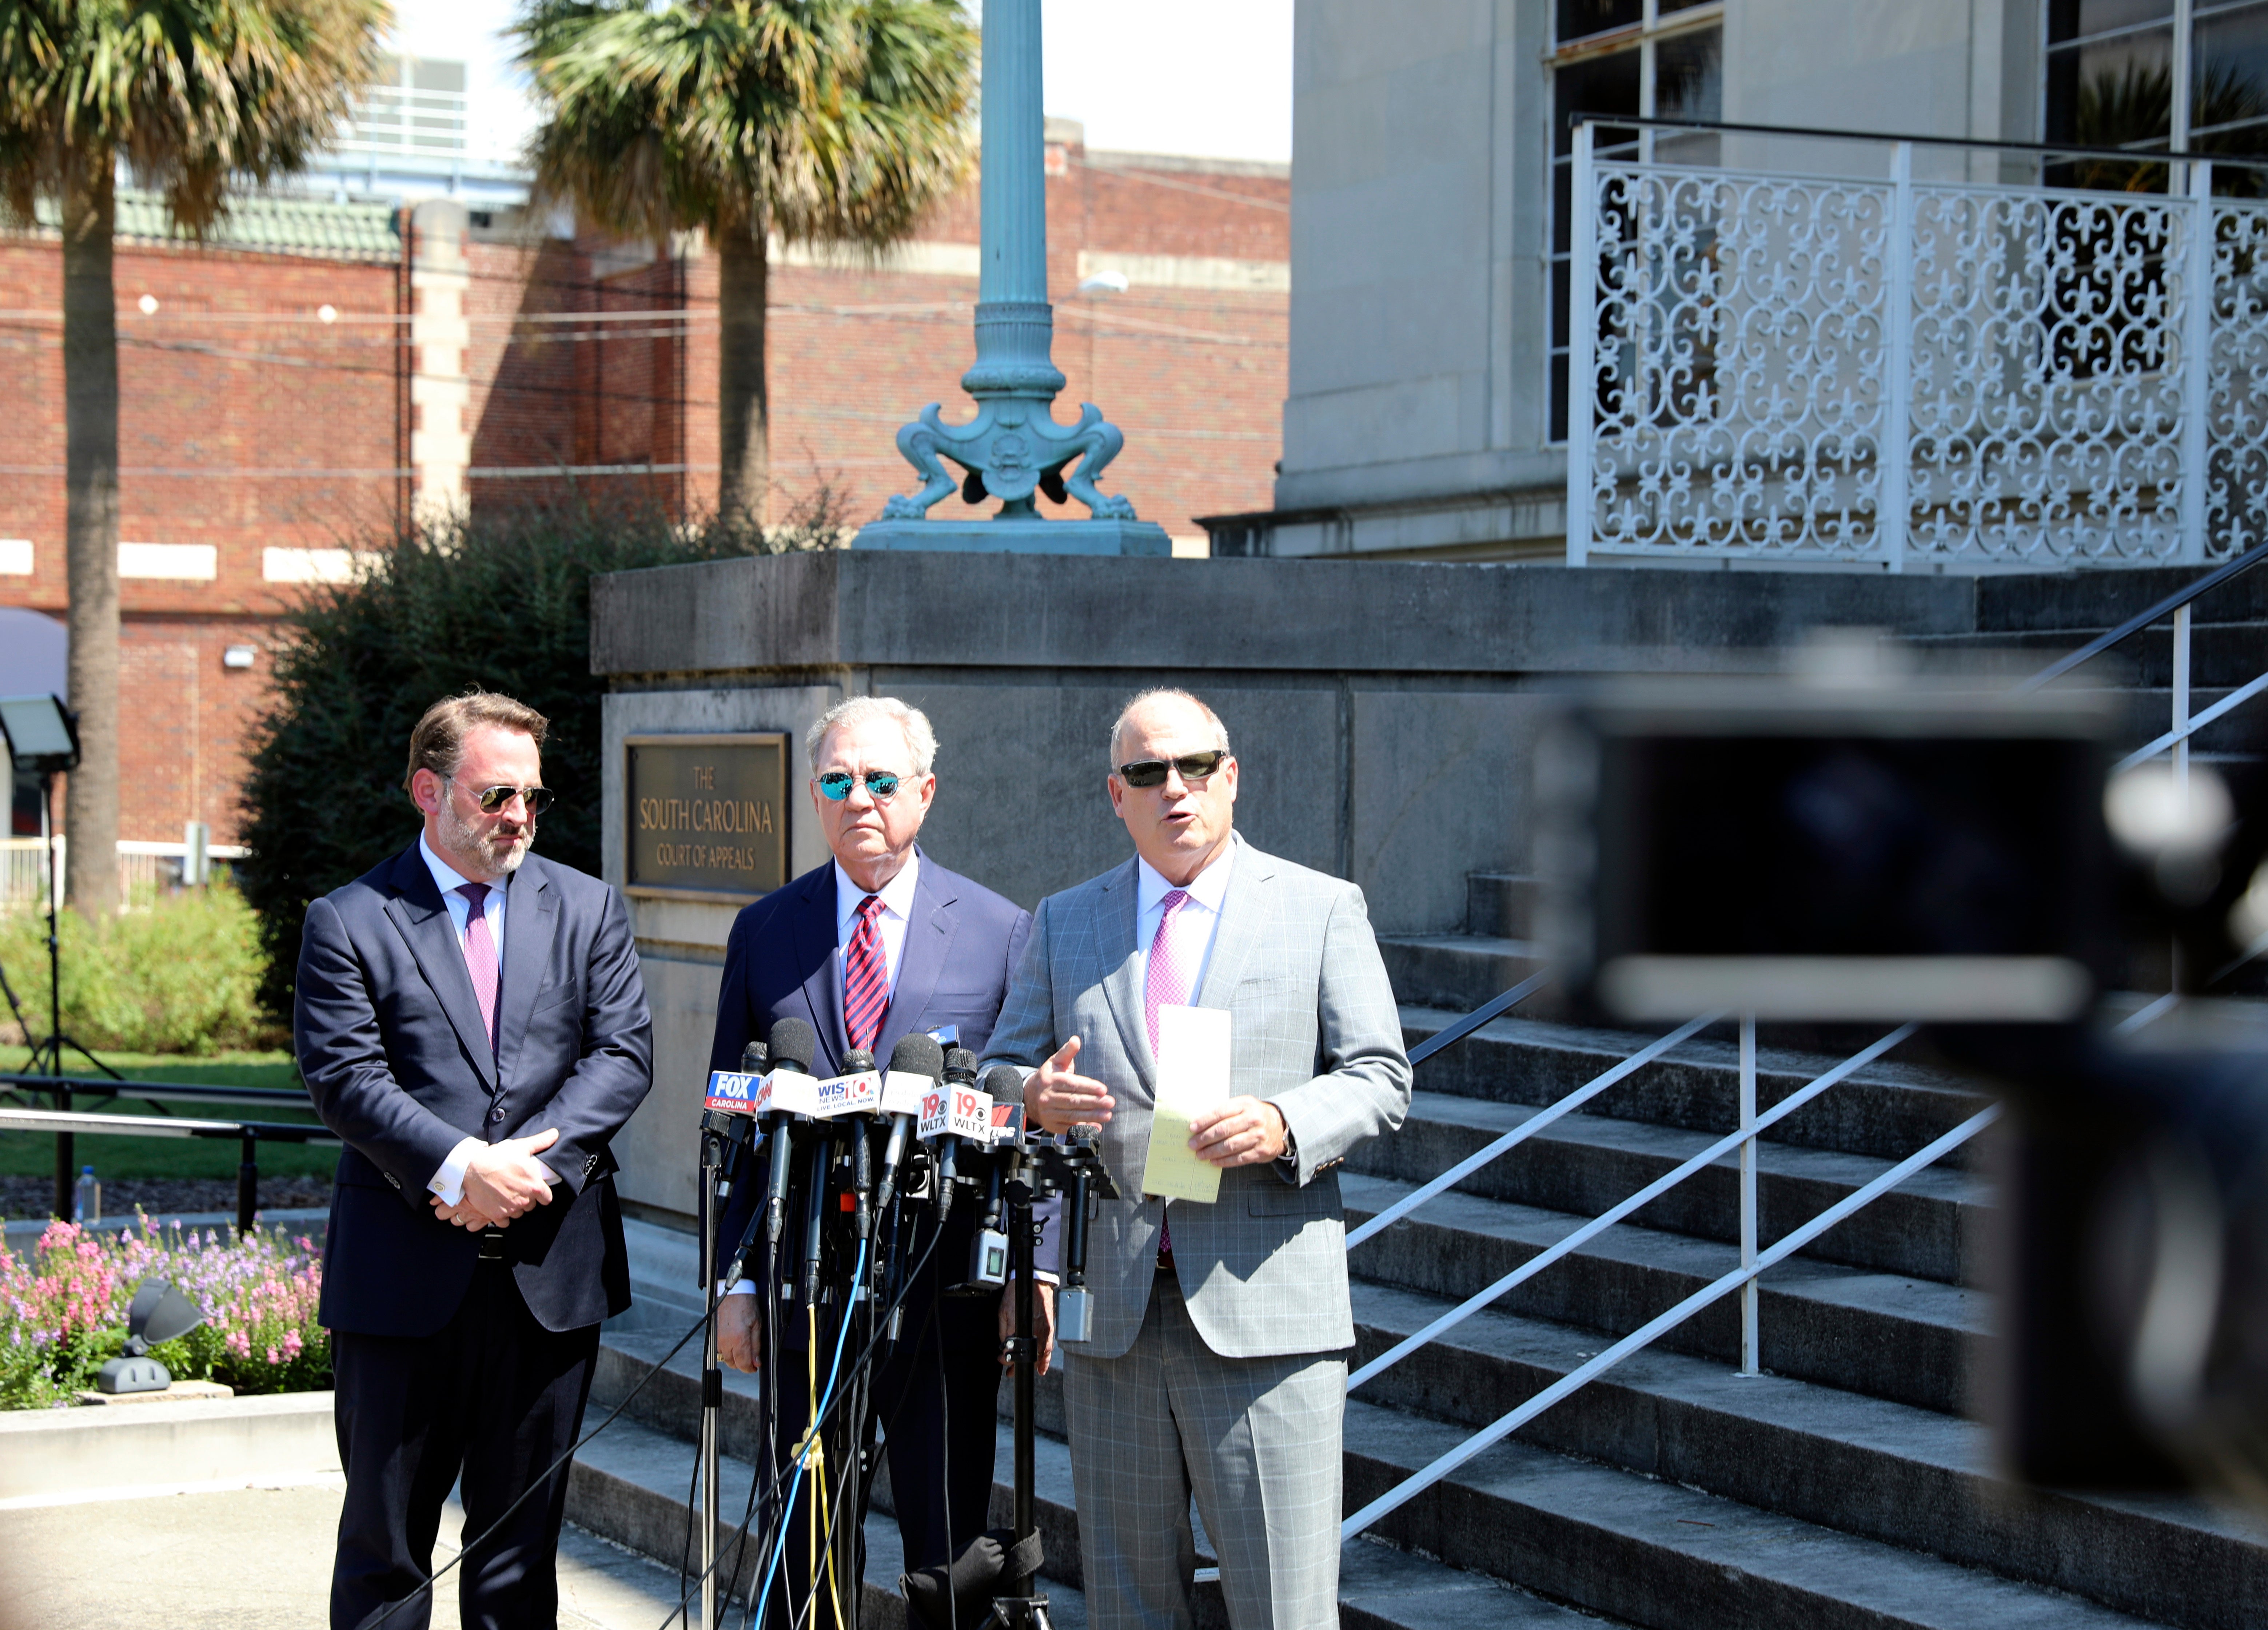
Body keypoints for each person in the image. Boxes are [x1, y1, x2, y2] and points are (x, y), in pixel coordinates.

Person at [980, 688, 1411, 1630]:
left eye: (1194, 768)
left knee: (1282, 1613)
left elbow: (1381, 1077)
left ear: (1231, 780)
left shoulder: (1318, 908)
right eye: (1147, 773)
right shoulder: (1066, 921)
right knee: (1130, 1608)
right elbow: (995, 1071)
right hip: (1117, 1323)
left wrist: (1284, 1122)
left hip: (1264, 1319)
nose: (1173, 789)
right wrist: (1031, 1098)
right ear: (1115, 795)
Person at [296, 691, 653, 1630]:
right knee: (385, 1556)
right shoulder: (350, 920)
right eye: (498, 796)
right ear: (429, 789)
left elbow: (622, 1054)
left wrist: (525, 1173)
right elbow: (344, 1077)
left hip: (547, 1285)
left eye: (533, 798)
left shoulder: (586, 907)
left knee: (517, 1565)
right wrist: (459, 1169)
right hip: (403, 1289)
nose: (521, 818)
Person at [706, 695, 1037, 1623]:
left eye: (882, 780)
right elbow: (732, 1117)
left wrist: (1028, 1270)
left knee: (947, 1543)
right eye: (839, 781)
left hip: (941, 1287)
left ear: (925, 793)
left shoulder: (999, 930)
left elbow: (1023, 1126)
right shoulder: (767, 929)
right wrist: (735, 1278)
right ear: (815, 798)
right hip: (802, 1274)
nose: (862, 799)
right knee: (801, 1535)